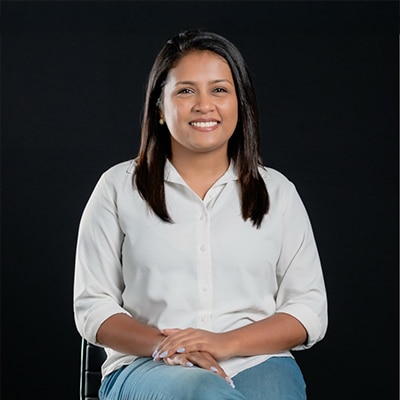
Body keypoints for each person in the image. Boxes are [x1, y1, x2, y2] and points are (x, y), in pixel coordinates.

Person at [73, 29, 328, 400]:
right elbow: (93, 306)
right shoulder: (117, 188)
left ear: (240, 103)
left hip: (259, 361)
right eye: (186, 91)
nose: (204, 105)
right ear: (159, 108)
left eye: (219, 90)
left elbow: (308, 309)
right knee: (202, 391)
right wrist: (171, 346)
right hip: (147, 364)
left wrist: (224, 342)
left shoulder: (278, 192)